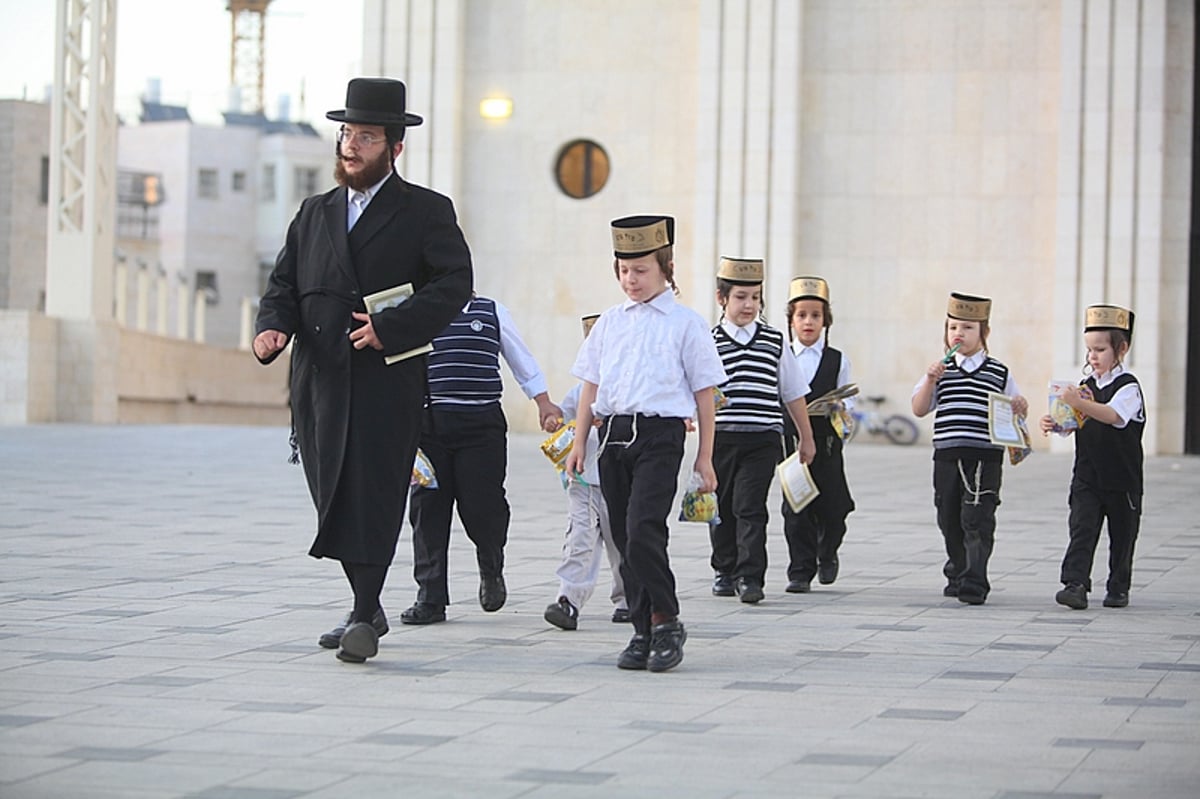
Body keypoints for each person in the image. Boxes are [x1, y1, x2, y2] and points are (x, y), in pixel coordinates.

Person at [253, 77, 472, 664]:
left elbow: (455, 285)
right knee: (333, 494)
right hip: (318, 380)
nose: (351, 145)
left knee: (373, 491)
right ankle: (367, 603)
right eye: (347, 133)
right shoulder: (313, 211)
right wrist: (271, 328)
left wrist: (392, 327)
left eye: (366, 137)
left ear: (394, 147)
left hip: (384, 380)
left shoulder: (426, 211)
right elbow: (283, 285)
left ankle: (363, 614)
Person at [564, 214, 727, 673]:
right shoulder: (610, 323)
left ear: (665, 267)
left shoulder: (686, 324)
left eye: (640, 270)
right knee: (620, 534)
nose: (630, 280)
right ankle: (641, 629)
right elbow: (590, 388)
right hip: (612, 435)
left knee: (642, 530)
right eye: (623, 270)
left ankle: (667, 620)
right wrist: (579, 443)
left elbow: (704, 395)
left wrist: (705, 459)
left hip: (661, 435)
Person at [402, 294, 562, 624]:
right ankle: (430, 598)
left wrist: (543, 402)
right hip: (428, 426)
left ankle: (491, 562)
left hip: (481, 426)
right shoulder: (415, 310)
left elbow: (522, 359)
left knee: (483, 506)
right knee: (427, 509)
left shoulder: (490, 311)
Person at [708, 258, 815, 604]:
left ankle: (750, 577)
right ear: (721, 298)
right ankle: (724, 569)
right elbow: (694, 389)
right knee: (722, 506)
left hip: (763, 437)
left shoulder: (774, 340)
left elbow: (793, 391)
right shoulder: (708, 341)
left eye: (755, 297)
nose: (749, 305)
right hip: (721, 437)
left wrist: (806, 437)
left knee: (750, 506)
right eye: (741, 297)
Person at [911, 292, 1028, 606]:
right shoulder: (939, 372)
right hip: (947, 454)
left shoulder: (998, 372)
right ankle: (958, 569)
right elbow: (919, 409)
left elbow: (1017, 407)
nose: (958, 334)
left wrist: (1020, 406)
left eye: (967, 328)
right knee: (948, 516)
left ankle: (974, 581)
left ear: (984, 333)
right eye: (952, 328)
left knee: (977, 518)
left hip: (984, 456)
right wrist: (930, 381)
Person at [1039, 304, 1144, 610]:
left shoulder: (1128, 387)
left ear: (1121, 349)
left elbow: (1113, 415)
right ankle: (1075, 584)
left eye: (1100, 349)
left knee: (1122, 535)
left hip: (1122, 478)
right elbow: (1072, 422)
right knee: (1082, 528)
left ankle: (1118, 586)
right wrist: (1055, 423)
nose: (1093, 357)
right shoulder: (1084, 388)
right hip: (1087, 475)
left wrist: (1078, 403)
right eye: (1089, 350)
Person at [543, 314, 629, 630]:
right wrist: (555, 421)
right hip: (581, 478)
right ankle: (569, 600)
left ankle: (627, 598)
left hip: (617, 478)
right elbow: (562, 419)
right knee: (579, 539)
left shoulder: (627, 386)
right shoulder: (580, 391)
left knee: (620, 540)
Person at [780, 276, 855, 593]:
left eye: (815, 316)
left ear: (826, 321)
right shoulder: (782, 356)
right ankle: (800, 570)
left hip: (827, 444)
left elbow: (850, 401)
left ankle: (828, 552)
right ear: (791, 320)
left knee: (835, 507)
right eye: (801, 315)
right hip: (793, 446)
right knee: (796, 508)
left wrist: (838, 407)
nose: (808, 322)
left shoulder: (837, 359)